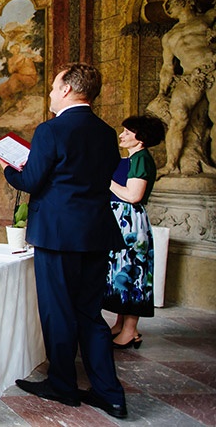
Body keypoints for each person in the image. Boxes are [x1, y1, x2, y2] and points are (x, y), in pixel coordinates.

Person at [0, 63, 128, 419]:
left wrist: (8, 167)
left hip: (58, 234)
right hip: (96, 233)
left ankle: (63, 385)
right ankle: (110, 394)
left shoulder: (51, 130)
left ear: (69, 89)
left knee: (58, 313)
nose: (52, 93)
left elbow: (33, 182)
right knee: (91, 314)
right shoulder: (105, 132)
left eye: (55, 87)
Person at [105, 115, 166, 349]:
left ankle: (130, 331)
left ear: (140, 138)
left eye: (128, 132)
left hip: (130, 223)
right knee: (123, 272)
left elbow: (133, 195)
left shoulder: (141, 159)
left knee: (133, 274)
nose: (122, 135)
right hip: (122, 221)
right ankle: (122, 325)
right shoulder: (133, 158)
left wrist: (106, 180)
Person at [149, 0, 216, 176]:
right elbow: (167, 67)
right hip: (189, 76)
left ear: (188, 2)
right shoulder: (170, 36)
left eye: (173, 2)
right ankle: (171, 164)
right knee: (177, 117)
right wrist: (162, 92)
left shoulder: (207, 18)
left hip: (213, 69)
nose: (169, 7)